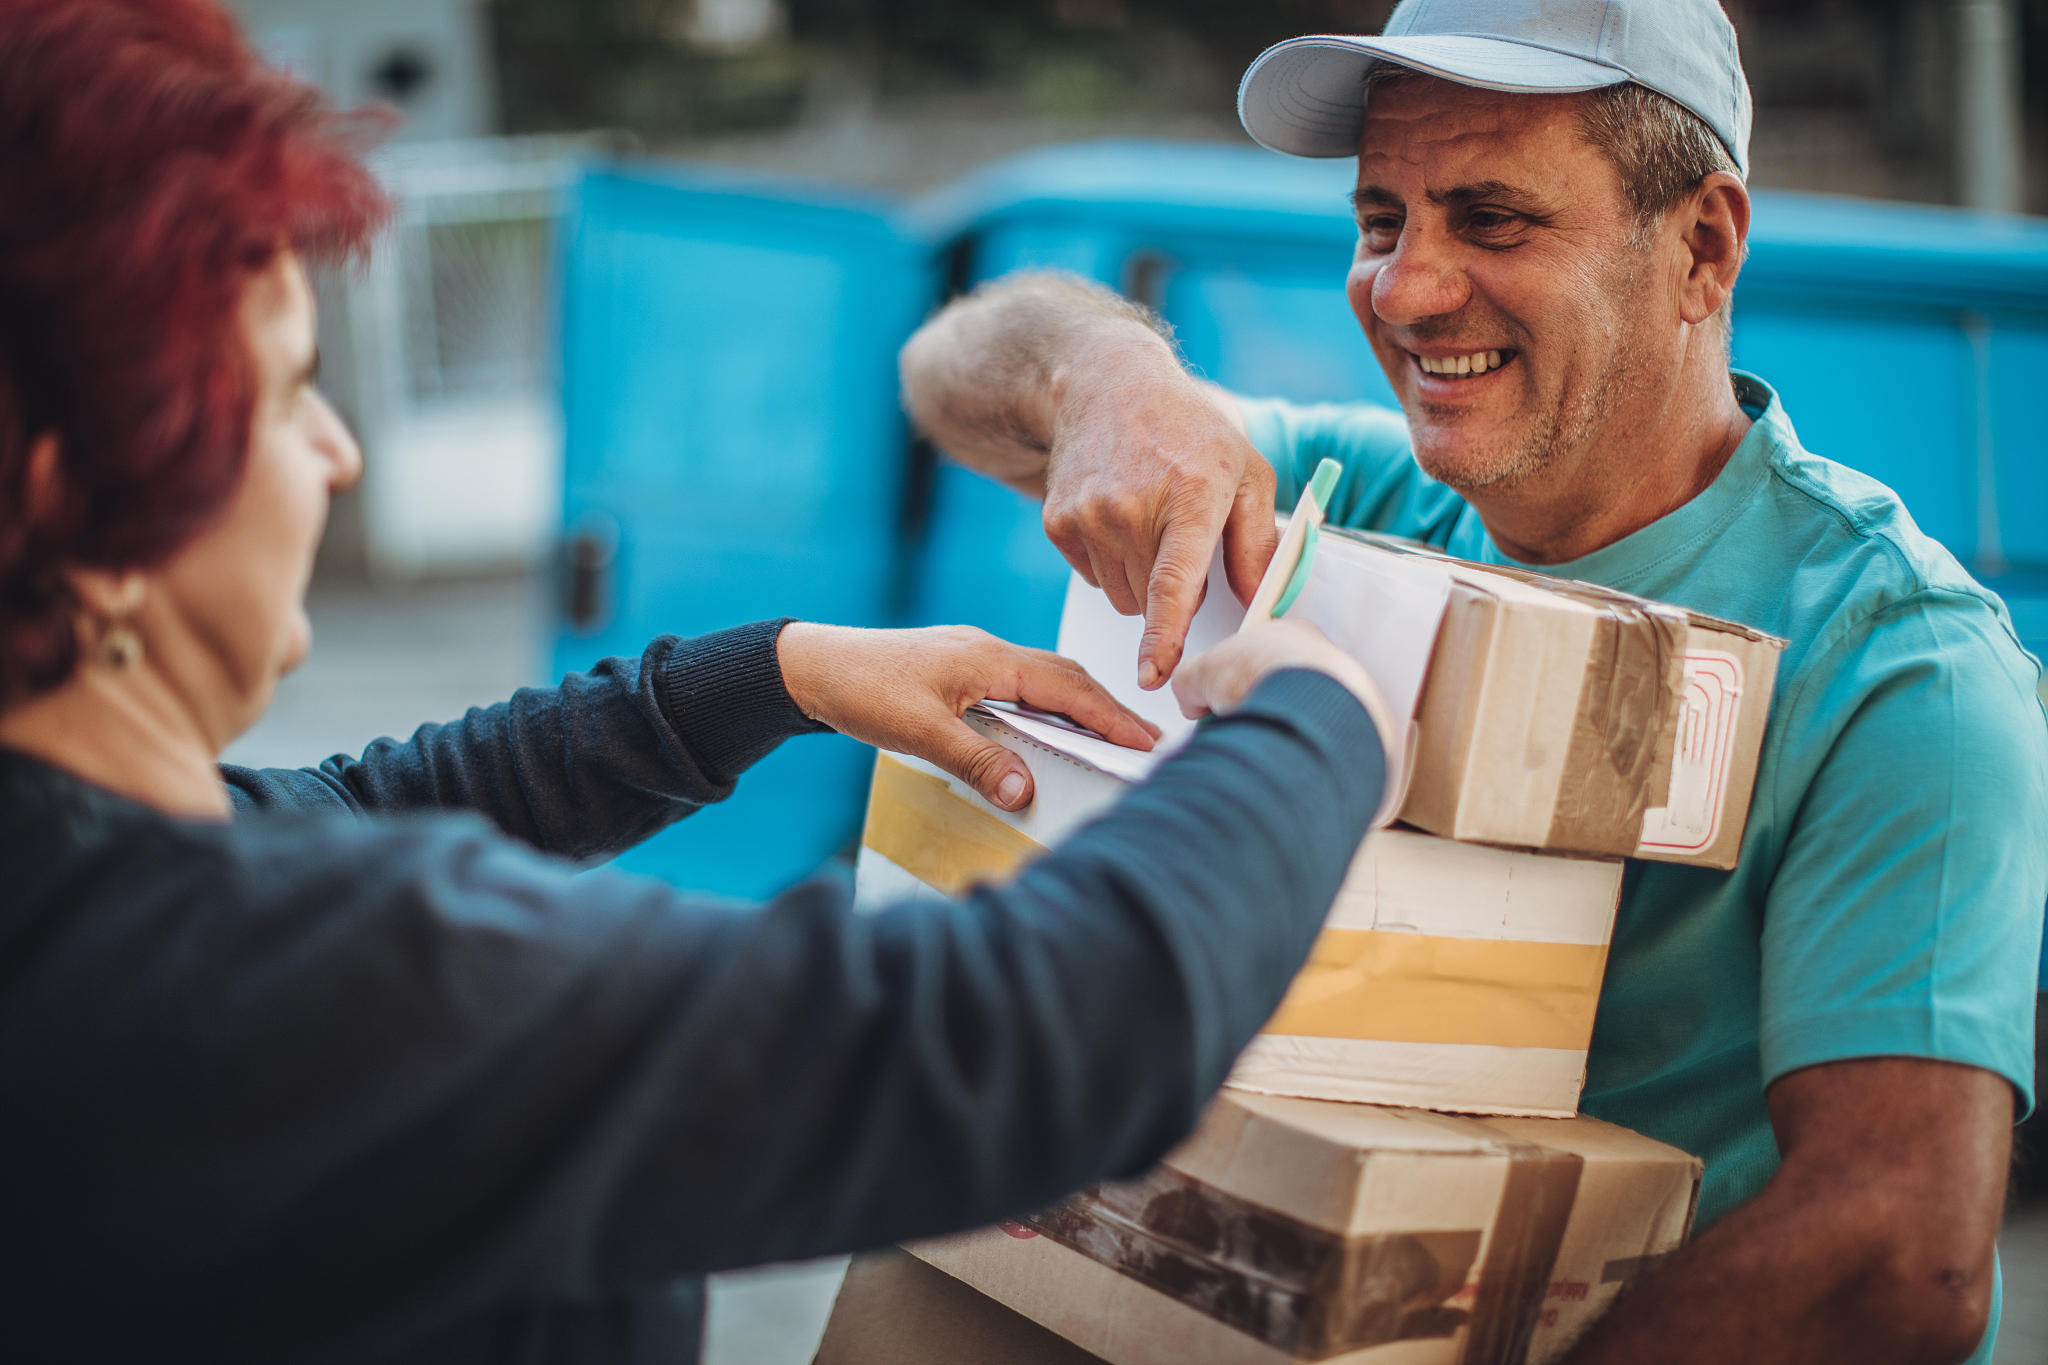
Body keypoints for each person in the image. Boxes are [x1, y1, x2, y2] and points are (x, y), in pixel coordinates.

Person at [0, 1, 1405, 1360]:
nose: (336, 453)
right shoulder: (265, 1000)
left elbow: (365, 802)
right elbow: (1021, 1032)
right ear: (92, 507)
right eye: (293, 390)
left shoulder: (78, 869)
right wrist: (1313, 715)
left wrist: (776, 674)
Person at [899, 1, 2048, 1362]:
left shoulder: (1900, 665)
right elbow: (944, 373)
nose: (1406, 286)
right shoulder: (1342, 496)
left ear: (1703, 245)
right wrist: (1105, 375)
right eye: (1381, 219)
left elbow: (1895, 1255)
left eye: (1492, 221)